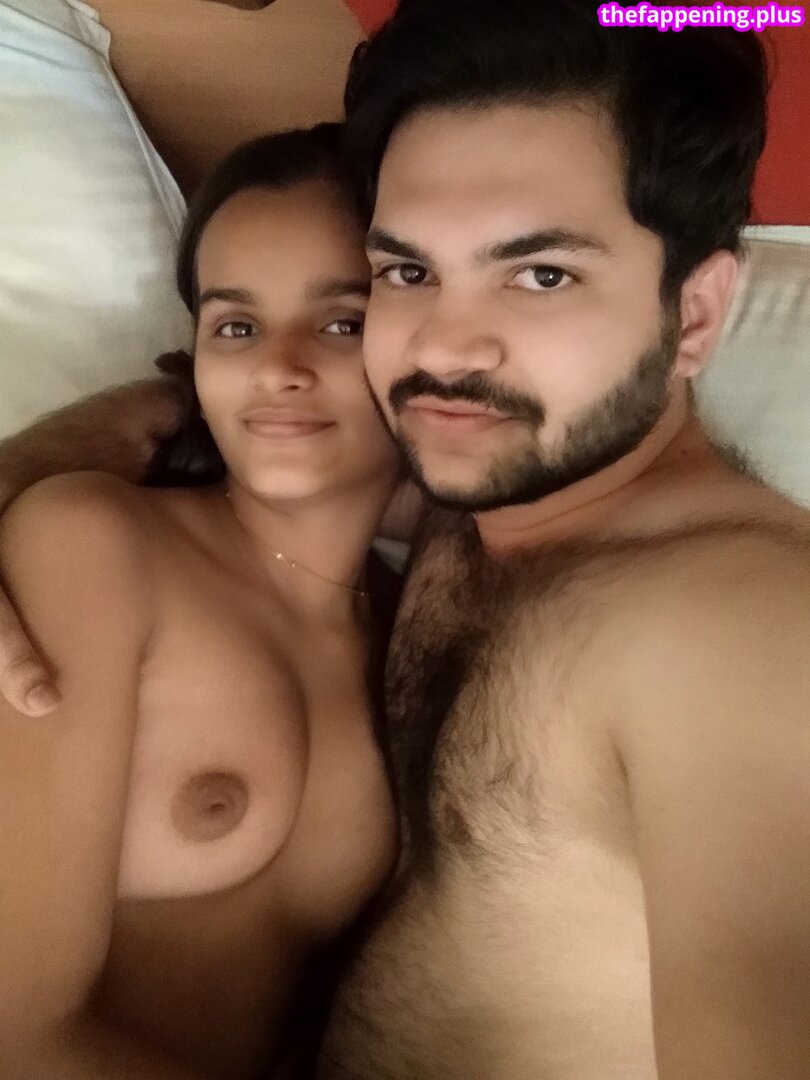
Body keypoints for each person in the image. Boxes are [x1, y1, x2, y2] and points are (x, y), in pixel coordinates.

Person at [2, 1, 810, 1077]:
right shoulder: (482, 503)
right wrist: (29, 469)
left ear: (696, 315)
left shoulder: (747, 641)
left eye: (542, 274)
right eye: (407, 272)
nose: (444, 347)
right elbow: (274, 429)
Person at [0, 124, 403, 1079]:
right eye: (236, 326)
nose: (277, 366)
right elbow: (15, 1032)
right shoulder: (94, 545)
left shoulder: (409, 628)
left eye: (342, 322)